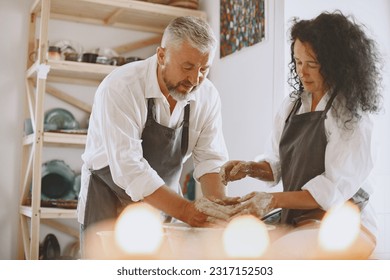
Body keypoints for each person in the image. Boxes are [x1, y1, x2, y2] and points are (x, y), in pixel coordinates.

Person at [220, 11, 382, 258]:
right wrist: (249, 168)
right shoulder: (293, 104)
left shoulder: (351, 115)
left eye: (312, 64)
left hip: (345, 223)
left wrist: (272, 200)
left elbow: (329, 192)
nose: (302, 72)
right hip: (302, 218)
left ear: (335, 64)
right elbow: (277, 165)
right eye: (297, 62)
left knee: (280, 255)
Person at [77, 16, 230, 256]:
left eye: (204, 69)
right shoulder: (121, 87)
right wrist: (187, 211)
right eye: (187, 67)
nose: (194, 80)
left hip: (163, 206)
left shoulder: (207, 96)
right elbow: (130, 168)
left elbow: (210, 159)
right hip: (107, 199)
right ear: (161, 56)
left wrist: (222, 212)